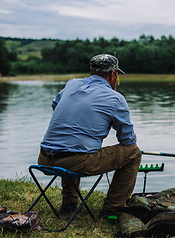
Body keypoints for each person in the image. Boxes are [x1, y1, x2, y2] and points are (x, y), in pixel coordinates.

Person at [38, 54, 142, 217]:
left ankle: (69, 204)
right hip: (77, 162)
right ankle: (111, 209)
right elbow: (127, 140)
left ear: (92, 71)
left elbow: (55, 104)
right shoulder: (116, 98)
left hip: (44, 159)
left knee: (73, 148)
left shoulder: (72, 84)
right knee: (133, 153)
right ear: (114, 74)